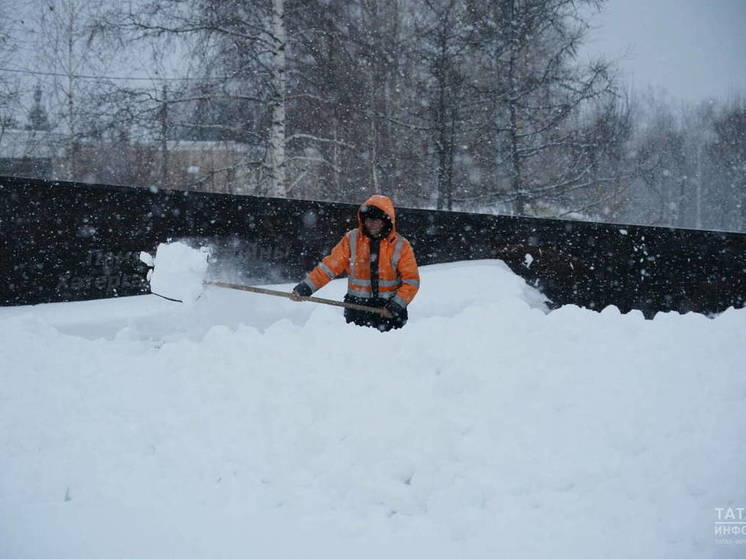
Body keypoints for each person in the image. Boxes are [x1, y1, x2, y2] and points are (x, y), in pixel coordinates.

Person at [290, 195, 420, 331]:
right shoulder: (352, 239)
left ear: (386, 220)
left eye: (376, 219)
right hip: (357, 310)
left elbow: (411, 281)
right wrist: (306, 287)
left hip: (388, 312)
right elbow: (329, 267)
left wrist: (396, 305)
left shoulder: (401, 245)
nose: (371, 223)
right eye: (368, 219)